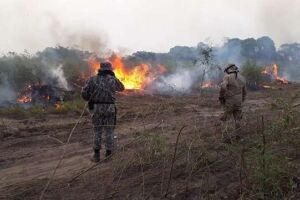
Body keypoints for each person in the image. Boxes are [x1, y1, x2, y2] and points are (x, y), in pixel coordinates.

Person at [81, 62, 125, 162]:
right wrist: (114, 77)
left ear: (100, 69)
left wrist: (89, 99)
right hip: (110, 108)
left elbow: (84, 93)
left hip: (96, 108)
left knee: (97, 131)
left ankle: (96, 155)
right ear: (110, 69)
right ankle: (108, 155)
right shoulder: (113, 79)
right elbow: (122, 88)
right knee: (109, 131)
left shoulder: (92, 79)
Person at [219, 64, 246, 142]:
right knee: (238, 119)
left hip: (230, 102)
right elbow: (245, 92)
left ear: (229, 70)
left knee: (226, 119)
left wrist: (222, 96)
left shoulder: (227, 77)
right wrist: (242, 100)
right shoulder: (242, 78)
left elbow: (223, 87)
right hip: (239, 102)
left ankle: (226, 138)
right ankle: (239, 137)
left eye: (226, 71)